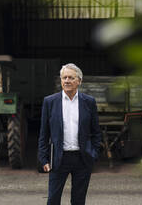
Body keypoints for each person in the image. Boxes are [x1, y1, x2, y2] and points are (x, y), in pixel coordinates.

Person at [38, 63, 102, 205]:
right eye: (64, 77)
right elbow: (44, 134)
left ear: (79, 81)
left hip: (82, 158)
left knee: (78, 200)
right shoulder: (50, 102)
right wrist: (43, 158)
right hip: (58, 159)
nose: (67, 81)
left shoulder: (89, 102)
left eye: (71, 78)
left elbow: (96, 132)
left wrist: (94, 154)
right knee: (53, 199)